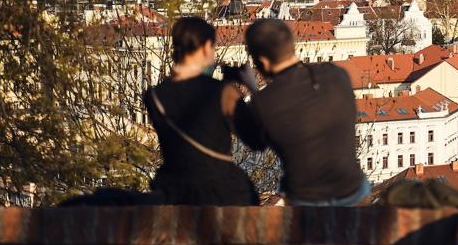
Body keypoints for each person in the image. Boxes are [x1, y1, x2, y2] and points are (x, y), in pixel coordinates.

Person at [232, 19, 369, 206]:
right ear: (291, 46)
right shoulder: (337, 74)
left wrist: (247, 91)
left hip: (308, 200)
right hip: (355, 190)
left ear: (262, 61)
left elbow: (254, 142)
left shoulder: (265, 102)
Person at [143, 17, 258, 206]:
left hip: (175, 192)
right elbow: (255, 140)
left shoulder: (153, 96)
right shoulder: (222, 92)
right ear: (205, 47)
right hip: (221, 192)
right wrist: (252, 89)